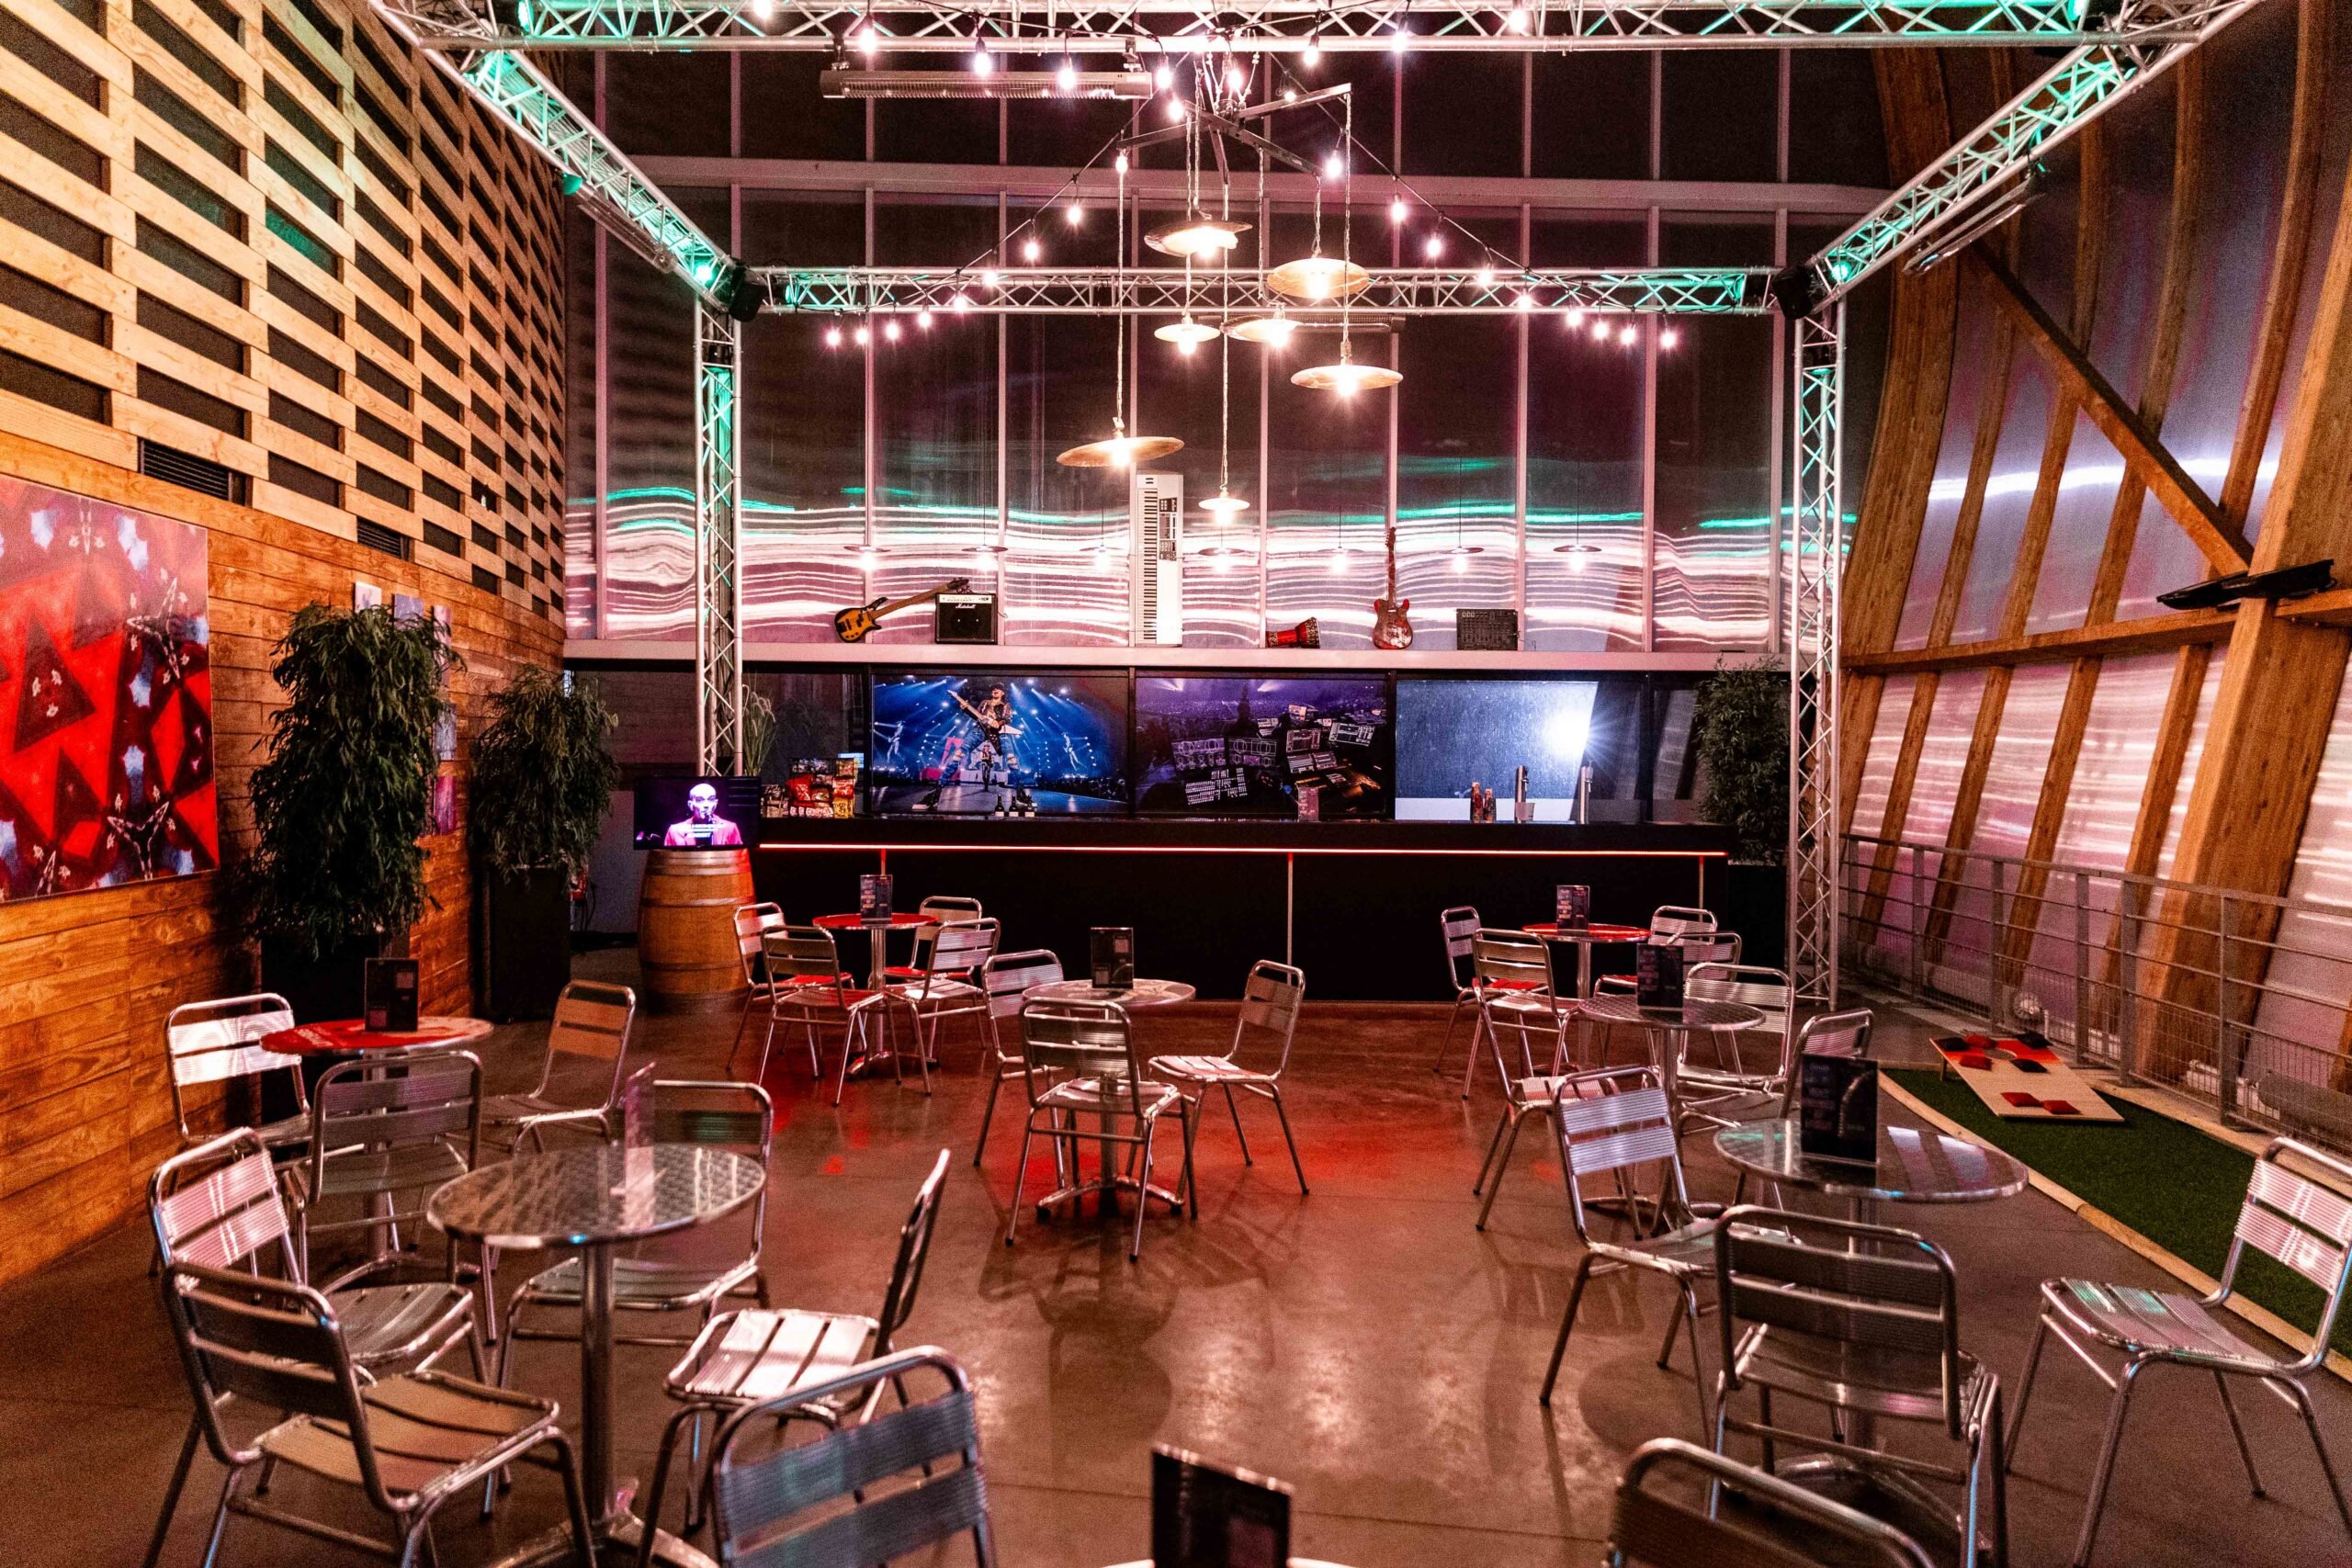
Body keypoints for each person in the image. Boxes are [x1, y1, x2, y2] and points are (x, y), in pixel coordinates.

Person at [663, 782, 743, 847]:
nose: (706, 805)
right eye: (700, 800)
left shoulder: (730, 828)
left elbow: (739, 859)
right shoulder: (675, 831)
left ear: (716, 804)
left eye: (711, 799)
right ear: (690, 805)